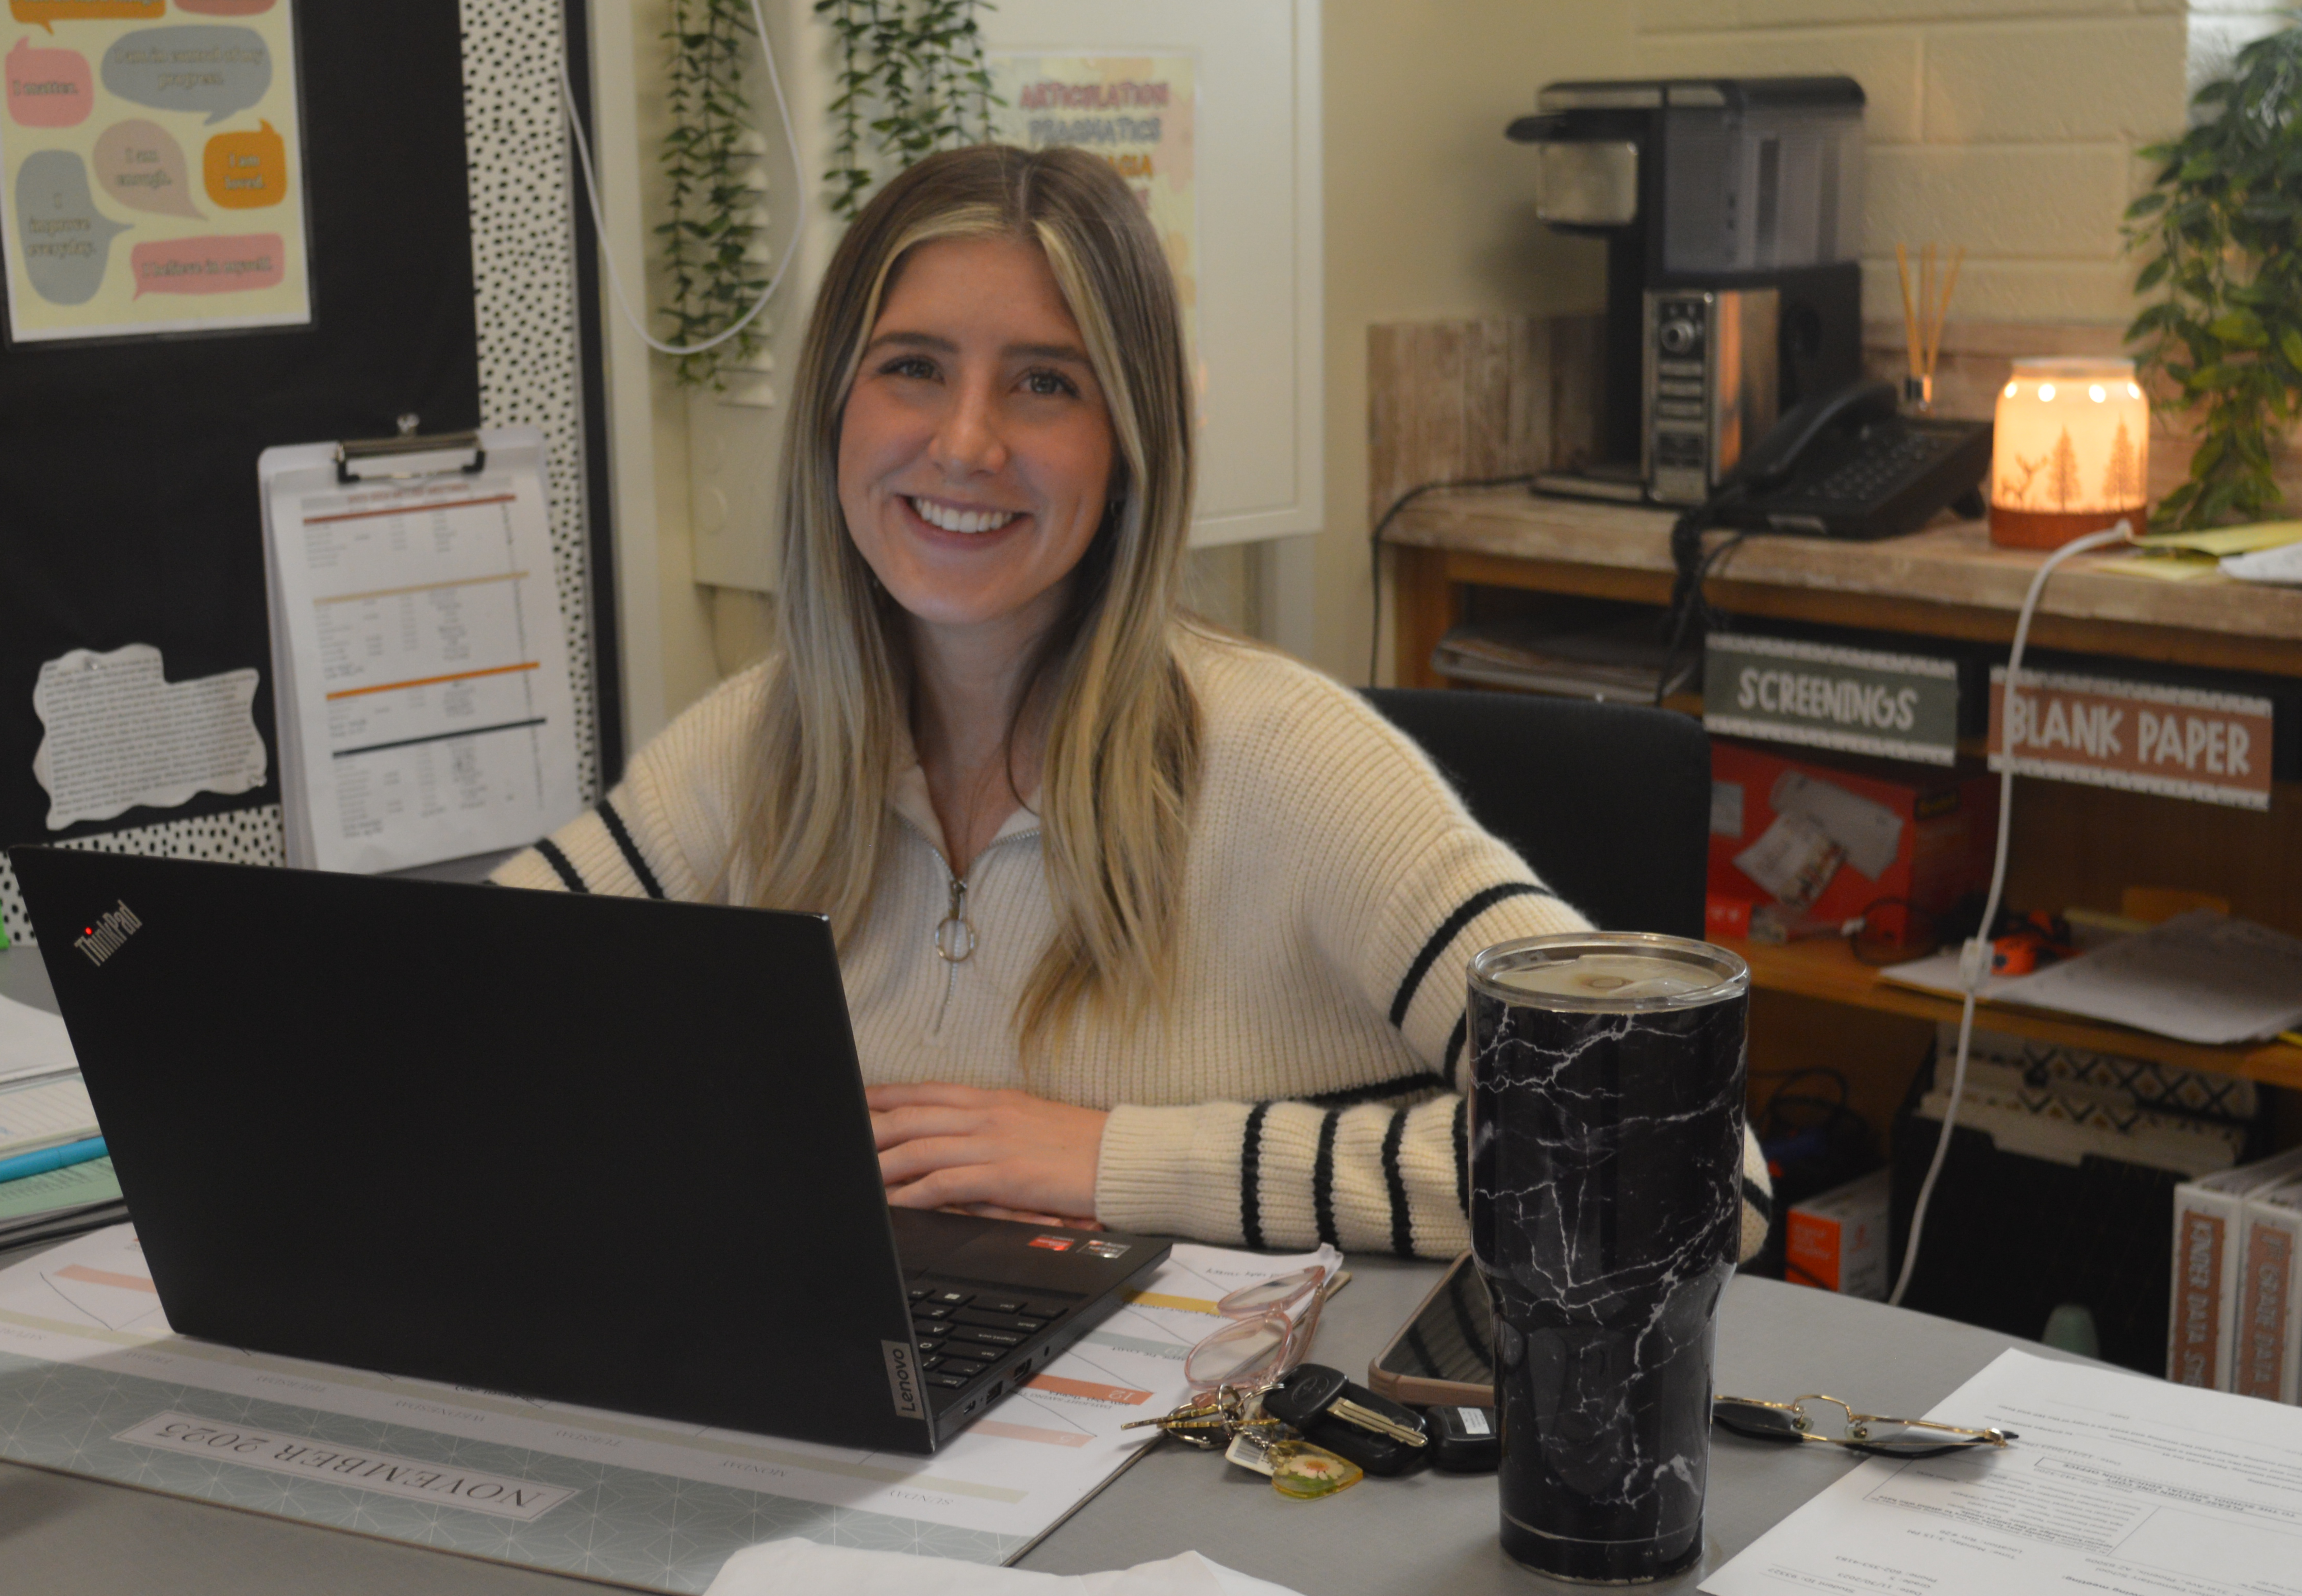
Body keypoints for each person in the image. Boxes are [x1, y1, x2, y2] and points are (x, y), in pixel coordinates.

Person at [497, 143, 1763, 1258]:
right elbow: (447, 1032)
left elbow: (1694, 1168)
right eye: (912, 368)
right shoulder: (756, 744)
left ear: (1130, 445)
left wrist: (1115, 1162)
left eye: (1046, 382)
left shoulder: (1293, 764)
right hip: (880, 1409)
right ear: (834, 406)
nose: (964, 443)